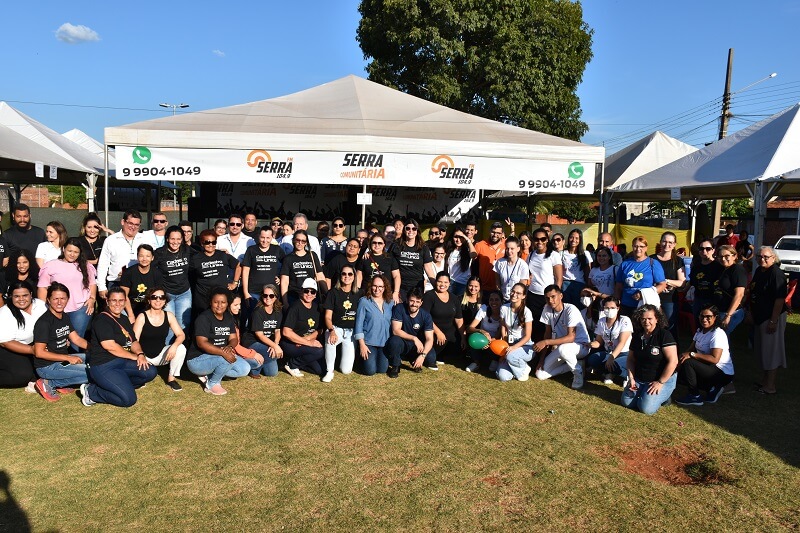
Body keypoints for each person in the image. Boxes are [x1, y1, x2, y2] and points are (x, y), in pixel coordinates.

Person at [80, 286, 158, 407]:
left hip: (121, 362)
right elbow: (110, 346)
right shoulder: (102, 320)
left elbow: (133, 341)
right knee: (128, 400)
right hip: (104, 365)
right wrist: (133, 357)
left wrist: (140, 354)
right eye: (114, 300)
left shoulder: (124, 318)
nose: (118, 304)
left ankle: (120, 385)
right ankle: (92, 392)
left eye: (121, 300)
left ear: (125, 301)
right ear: (107, 301)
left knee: (150, 371)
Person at [186, 287, 250, 395]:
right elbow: (201, 343)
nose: (219, 305)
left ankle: (209, 375)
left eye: (223, 302)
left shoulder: (228, 317)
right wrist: (223, 353)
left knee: (244, 369)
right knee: (227, 359)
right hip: (197, 360)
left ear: (227, 303)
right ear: (210, 302)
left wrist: (230, 347)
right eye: (216, 302)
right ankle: (212, 384)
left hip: (218, 356)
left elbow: (233, 338)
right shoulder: (203, 318)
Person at [32, 283, 90, 401]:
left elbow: (76, 339)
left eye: (63, 298)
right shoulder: (44, 322)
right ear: (48, 300)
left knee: (95, 359)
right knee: (92, 372)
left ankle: (61, 382)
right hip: (47, 366)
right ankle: (48, 383)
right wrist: (68, 358)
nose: (59, 302)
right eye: (55, 299)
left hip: (62, 361)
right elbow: (39, 352)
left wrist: (96, 349)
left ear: (68, 299)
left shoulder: (64, 316)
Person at [36, 237, 97, 342]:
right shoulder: (51, 265)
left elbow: (92, 283)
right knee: (57, 338)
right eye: (70, 251)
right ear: (63, 249)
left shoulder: (86, 266)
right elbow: (42, 287)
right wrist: (43, 307)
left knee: (76, 338)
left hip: (80, 308)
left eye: (76, 252)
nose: (72, 254)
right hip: (56, 307)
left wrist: (92, 298)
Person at [621, 304, 678, 415]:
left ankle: (665, 396)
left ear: (657, 319)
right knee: (626, 403)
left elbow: (673, 361)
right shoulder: (637, 336)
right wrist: (631, 378)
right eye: (643, 319)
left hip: (660, 379)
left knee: (646, 409)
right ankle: (645, 392)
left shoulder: (664, 335)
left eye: (649, 318)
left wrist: (660, 382)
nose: (646, 322)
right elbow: (631, 359)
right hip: (640, 378)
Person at [533, 284, 591, 388]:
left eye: (553, 297)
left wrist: (546, 342)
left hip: (581, 346)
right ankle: (576, 365)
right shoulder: (547, 309)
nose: (550, 301)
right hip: (562, 348)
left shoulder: (571, 309)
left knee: (564, 349)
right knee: (540, 374)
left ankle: (577, 373)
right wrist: (541, 360)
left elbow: (571, 337)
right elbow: (547, 334)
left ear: (561, 296)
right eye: (547, 298)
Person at [675, 304, 734, 406]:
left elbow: (715, 359)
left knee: (689, 363)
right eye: (702, 316)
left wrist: (692, 355)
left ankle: (695, 396)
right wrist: (678, 362)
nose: (704, 319)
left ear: (715, 317)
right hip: (708, 367)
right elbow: (689, 350)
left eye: (708, 317)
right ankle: (712, 389)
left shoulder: (717, 333)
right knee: (682, 365)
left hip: (722, 372)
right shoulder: (699, 331)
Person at [748, 246, 787, 395]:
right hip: (760, 316)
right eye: (759, 256)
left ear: (773, 258)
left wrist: (773, 321)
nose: (762, 259)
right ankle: (764, 381)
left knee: (771, 351)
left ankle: (770, 386)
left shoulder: (776, 274)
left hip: (771, 317)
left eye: (766, 257)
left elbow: (779, 299)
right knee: (763, 350)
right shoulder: (759, 270)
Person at [132, 286, 186, 391]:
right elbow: (134, 340)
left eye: (161, 297)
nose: (158, 300)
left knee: (181, 348)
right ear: (149, 300)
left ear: (165, 301)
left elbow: (181, 335)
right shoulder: (142, 316)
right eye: (154, 297)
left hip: (161, 355)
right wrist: (140, 355)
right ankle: (141, 375)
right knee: (143, 375)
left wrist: (174, 346)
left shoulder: (169, 315)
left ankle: (171, 379)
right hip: (143, 357)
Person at [0, 282, 47, 388]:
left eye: (25, 295)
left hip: (34, 345)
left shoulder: (40, 305)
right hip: (7, 348)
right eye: (16, 296)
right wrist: (33, 350)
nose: (21, 299)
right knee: (22, 375)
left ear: (31, 294)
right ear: (11, 297)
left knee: (40, 371)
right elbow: (5, 342)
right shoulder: (4, 313)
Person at [384, 287, 437, 376]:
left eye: (417, 302)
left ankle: (414, 359)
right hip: (402, 341)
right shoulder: (399, 308)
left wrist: (423, 355)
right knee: (394, 341)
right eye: (412, 301)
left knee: (431, 358)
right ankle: (396, 365)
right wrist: (414, 338)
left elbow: (429, 338)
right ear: (407, 300)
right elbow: (396, 331)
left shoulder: (426, 315)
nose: (414, 304)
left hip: (417, 346)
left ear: (421, 303)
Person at [322, 265, 361, 382]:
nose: (347, 276)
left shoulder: (359, 293)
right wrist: (331, 330)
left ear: (354, 277)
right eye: (344, 274)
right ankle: (329, 371)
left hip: (351, 332)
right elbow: (327, 317)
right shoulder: (333, 293)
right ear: (340, 276)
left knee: (346, 370)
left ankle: (340, 362)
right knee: (330, 338)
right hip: (336, 329)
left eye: (350, 274)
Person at [280, 278, 325, 377]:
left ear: (315, 294)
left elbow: (320, 329)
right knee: (318, 351)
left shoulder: (316, 307)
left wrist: (307, 339)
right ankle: (291, 364)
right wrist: (308, 343)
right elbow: (286, 332)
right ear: (301, 291)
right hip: (291, 344)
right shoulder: (295, 307)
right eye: (306, 291)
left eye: (312, 292)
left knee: (319, 370)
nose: (309, 294)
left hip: (303, 343)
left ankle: (293, 361)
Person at [189, 229, 241, 316]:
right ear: (202, 243)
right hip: (203, 297)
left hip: (222, 296)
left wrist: (235, 283)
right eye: (207, 242)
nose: (211, 245)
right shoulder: (195, 258)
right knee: (204, 320)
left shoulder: (223, 255)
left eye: (213, 242)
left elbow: (238, 265)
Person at [97, 209, 145, 300]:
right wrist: (101, 287)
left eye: (136, 225)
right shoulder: (111, 240)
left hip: (139, 284)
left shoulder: (144, 239)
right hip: (116, 284)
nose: (133, 227)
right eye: (130, 223)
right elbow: (103, 264)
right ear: (123, 222)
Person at [153, 227, 194, 333]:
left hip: (184, 293)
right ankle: (168, 344)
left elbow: (203, 256)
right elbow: (148, 267)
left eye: (178, 239)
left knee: (184, 324)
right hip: (167, 293)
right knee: (169, 325)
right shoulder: (159, 253)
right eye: (172, 239)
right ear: (167, 238)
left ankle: (183, 344)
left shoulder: (187, 250)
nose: (175, 242)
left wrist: (220, 253)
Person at [241, 226, 285, 325]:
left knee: (270, 320)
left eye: (268, 238)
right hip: (254, 292)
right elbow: (245, 271)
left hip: (272, 293)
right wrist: (246, 292)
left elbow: (287, 264)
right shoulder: (251, 250)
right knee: (253, 319)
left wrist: (280, 276)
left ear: (272, 237)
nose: (265, 240)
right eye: (262, 237)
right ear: (258, 236)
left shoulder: (277, 249)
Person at [614, 236, 666, 318]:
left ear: (646, 248)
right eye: (635, 246)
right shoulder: (625, 264)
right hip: (626, 305)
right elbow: (618, 286)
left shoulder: (653, 263)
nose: (638, 249)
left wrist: (644, 294)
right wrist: (616, 303)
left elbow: (662, 285)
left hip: (645, 306)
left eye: (641, 246)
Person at [526, 228, 563, 342]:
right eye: (536, 239)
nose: (539, 242)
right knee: (534, 326)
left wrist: (554, 297)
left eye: (543, 239)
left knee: (547, 326)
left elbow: (559, 279)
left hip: (547, 297)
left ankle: (546, 349)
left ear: (547, 240)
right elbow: (527, 274)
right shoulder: (531, 255)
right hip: (532, 295)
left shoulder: (553, 255)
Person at [353, 275, 394, 376]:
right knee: (370, 371)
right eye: (374, 286)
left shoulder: (390, 303)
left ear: (385, 288)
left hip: (384, 343)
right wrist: (362, 345)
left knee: (382, 369)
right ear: (370, 286)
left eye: (380, 286)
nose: (377, 289)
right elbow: (358, 324)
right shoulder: (364, 301)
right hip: (368, 342)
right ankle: (360, 359)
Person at [585, 297, 632, 385]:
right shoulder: (601, 321)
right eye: (606, 308)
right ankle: (610, 372)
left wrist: (611, 357)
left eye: (612, 308)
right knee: (593, 359)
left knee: (615, 363)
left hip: (624, 353)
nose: (609, 310)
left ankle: (627, 375)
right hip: (609, 352)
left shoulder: (624, 320)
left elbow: (622, 342)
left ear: (618, 308)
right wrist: (590, 344)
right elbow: (599, 341)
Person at [241, 284, 283, 378]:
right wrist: (275, 346)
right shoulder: (257, 311)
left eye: (271, 296)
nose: (268, 298)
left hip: (266, 342)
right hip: (252, 341)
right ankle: (254, 367)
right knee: (273, 354)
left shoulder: (278, 311)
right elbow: (259, 335)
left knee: (272, 373)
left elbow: (277, 330)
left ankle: (258, 359)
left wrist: (275, 344)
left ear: (276, 297)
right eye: (265, 295)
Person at [422, 272, 463, 365]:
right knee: (430, 359)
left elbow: (459, 319)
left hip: (448, 331)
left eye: (445, 282)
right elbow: (425, 317)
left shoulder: (454, 298)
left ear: (449, 283)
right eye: (440, 282)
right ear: (436, 282)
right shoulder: (429, 296)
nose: (442, 284)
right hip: (432, 331)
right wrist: (438, 332)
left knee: (458, 347)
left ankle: (441, 354)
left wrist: (463, 337)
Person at [390, 218, 437, 301]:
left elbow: (428, 268)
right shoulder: (396, 245)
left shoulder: (423, 247)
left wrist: (436, 288)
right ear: (404, 230)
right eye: (408, 228)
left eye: (414, 228)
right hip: (400, 286)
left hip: (417, 286)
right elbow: (389, 262)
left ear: (417, 230)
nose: (410, 231)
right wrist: (369, 252)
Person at [496, 283, 534, 382]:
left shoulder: (527, 312)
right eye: (513, 291)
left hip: (525, 345)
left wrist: (513, 348)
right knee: (502, 377)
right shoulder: (504, 308)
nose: (514, 294)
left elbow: (527, 336)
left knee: (510, 356)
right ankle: (514, 366)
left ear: (523, 296)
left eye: (518, 293)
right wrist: (505, 349)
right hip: (510, 343)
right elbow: (503, 328)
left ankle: (524, 368)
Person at [651, 231, 686, 339]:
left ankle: (671, 348)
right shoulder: (651, 259)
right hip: (652, 298)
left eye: (670, 242)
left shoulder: (678, 261)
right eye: (664, 241)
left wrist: (666, 282)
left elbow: (682, 282)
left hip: (669, 300)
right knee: (652, 327)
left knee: (670, 327)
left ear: (674, 244)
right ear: (660, 242)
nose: (667, 244)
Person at [280, 230, 325, 308]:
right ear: (293, 240)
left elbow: (320, 276)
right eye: (298, 240)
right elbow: (284, 281)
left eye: (303, 241)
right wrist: (285, 301)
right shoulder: (288, 258)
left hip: (311, 295)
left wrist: (326, 293)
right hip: (294, 295)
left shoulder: (312, 255)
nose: (300, 243)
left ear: (306, 243)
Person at [466, 290, 503, 373]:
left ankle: (495, 360)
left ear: (501, 301)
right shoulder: (484, 308)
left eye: (497, 300)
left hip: (496, 340)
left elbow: (499, 334)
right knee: (473, 336)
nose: (494, 302)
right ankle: (476, 362)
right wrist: (481, 331)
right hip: (482, 338)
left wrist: (490, 341)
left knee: (492, 368)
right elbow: (470, 328)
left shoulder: (504, 311)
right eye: (491, 300)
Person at [714, 244, 747, 337]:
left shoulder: (737, 270)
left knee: (721, 337)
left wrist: (728, 316)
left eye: (726, 256)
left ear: (734, 256)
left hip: (731, 312)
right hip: (720, 310)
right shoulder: (723, 269)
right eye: (720, 256)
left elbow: (739, 294)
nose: (723, 259)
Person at [689, 239, 723, 319]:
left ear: (713, 250)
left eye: (708, 249)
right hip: (698, 300)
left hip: (713, 301)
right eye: (701, 249)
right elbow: (691, 282)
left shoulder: (719, 266)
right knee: (698, 323)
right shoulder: (696, 267)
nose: (704, 251)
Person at [361, 233, 401, 300]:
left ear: (384, 245)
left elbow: (396, 276)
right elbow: (359, 276)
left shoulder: (390, 258)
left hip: (385, 294)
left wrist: (396, 292)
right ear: (370, 244)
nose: (377, 245)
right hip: (367, 293)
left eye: (380, 243)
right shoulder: (365, 258)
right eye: (374, 243)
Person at [560, 229, 592, 307]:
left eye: (577, 238)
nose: (574, 240)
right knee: (566, 308)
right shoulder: (562, 253)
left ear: (580, 240)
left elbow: (588, 272)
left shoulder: (585, 254)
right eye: (571, 237)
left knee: (579, 309)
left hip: (579, 285)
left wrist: (588, 287)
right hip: (565, 284)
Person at [474, 222, 506, 294]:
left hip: (502, 288)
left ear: (502, 234)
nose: (495, 235)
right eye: (493, 232)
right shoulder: (480, 245)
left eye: (498, 233)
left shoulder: (507, 245)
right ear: (489, 231)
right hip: (484, 288)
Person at [447, 228, 477, 297]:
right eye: (456, 237)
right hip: (450, 282)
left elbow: (474, 255)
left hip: (463, 283)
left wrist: (468, 240)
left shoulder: (468, 250)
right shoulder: (449, 249)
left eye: (461, 237)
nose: (458, 240)